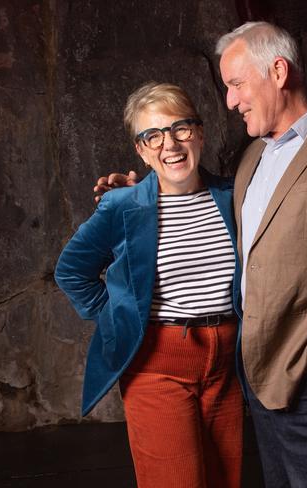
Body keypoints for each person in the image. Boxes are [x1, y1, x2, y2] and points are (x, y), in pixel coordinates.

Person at [95, 21, 307, 488]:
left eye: (236, 84)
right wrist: (142, 190)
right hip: (255, 382)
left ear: (278, 71)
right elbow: (200, 201)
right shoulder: (252, 157)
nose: (230, 101)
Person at [55, 82, 243, 488]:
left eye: (181, 128)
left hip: (226, 370)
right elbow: (72, 272)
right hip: (159, 369)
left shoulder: (234, 196)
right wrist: (121, 316)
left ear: (201, 132)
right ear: (140, 150)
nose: (169, 144)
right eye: (152, 135)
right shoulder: (122, 205)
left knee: (225, 480)